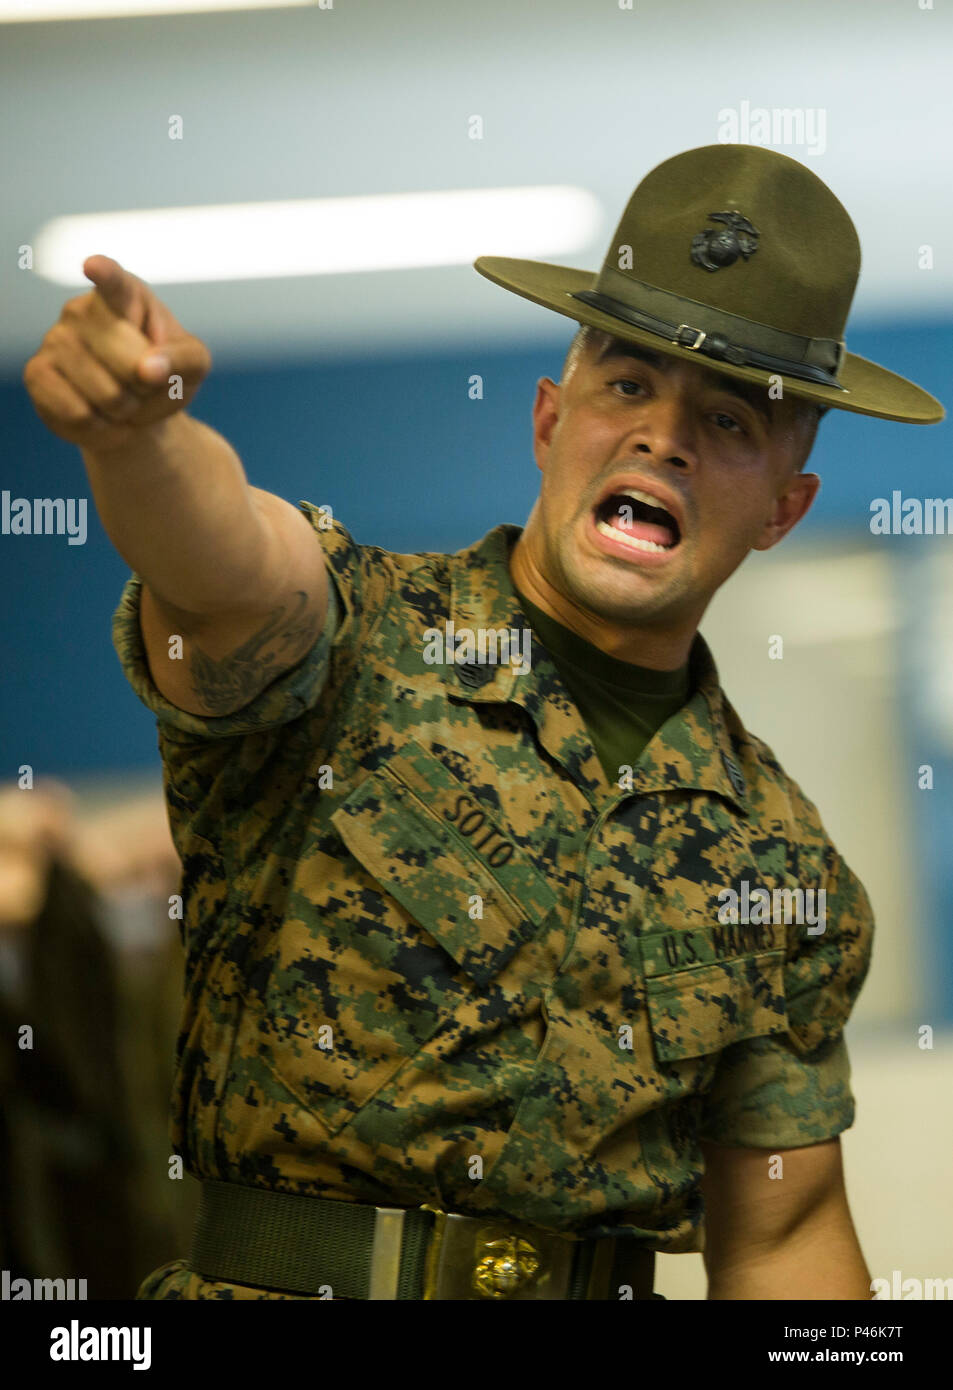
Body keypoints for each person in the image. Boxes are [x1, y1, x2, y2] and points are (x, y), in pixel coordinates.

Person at [22, 144, 944, 1301]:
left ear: (780, 508)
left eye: (727, 420)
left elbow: (782, 1235)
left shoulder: (782, 864)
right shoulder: (352, 634)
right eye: (625, 385)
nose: (662, 435)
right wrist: (136, 437)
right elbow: (226, 566)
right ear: (548, 420)